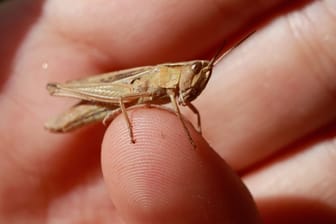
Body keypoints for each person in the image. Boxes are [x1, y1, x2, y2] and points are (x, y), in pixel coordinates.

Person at [0, 0, 335, 223]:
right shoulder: (163, 78)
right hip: (109, 92)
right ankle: (63, 94)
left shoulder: (179, 91)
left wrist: (194, 125)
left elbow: (186, 105)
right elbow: (136, 96)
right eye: (197, 70)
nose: (200, 77)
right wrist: (136, 128)